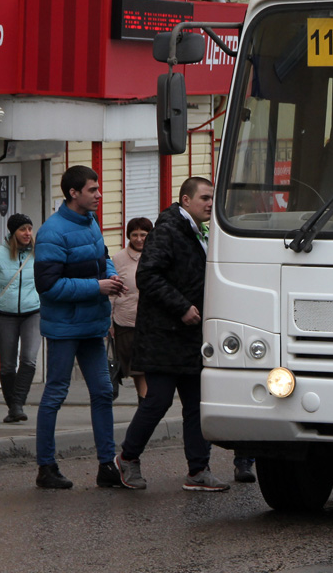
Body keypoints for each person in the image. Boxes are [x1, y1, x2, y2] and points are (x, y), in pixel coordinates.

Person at [116, 177, 232, 492]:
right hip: (163, 336)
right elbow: (147, 276)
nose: (211, 204)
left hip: (192, 335)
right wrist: (182, 307)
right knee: (158, 401)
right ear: (185, 200)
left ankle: (198, 470)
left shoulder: (202, 232)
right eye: (205, 198)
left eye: (213, 198)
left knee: (196, 403)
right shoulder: (166, 232)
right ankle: (127, 457)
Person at [33, 165, 126, 490]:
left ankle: (107, 465)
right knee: (55, 393)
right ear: (74, 193)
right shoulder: (52, 232)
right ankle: (46, 467)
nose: (99, 195)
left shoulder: (90, 222)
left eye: (98, 189)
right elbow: (47, 286)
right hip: (64, 328)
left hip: (93, 324)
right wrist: (96, 287)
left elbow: (102, 257)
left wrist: (111, 276)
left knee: (103, 392)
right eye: (92, 190)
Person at [0, 213, 40, 423]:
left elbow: (46, 281)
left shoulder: (38, 253)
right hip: (5, 315)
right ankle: (13, 407)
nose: (27, 233)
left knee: (29, 358)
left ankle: (18, 404)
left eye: (30, 229)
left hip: (33, 312)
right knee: (6, 364)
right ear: (13, 232)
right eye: (23, 229)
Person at [110, 216, 154, 401]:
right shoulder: (118, 259)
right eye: (134, 235)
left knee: (151, 367)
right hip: (126, 321)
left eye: (143, 234)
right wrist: (109, 321)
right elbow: (111, 292)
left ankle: (146, 403)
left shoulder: (158, 254)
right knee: (138, 369)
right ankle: (144, 402)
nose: (138, 239)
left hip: (153, 322)